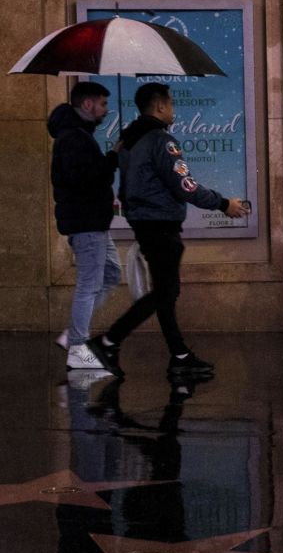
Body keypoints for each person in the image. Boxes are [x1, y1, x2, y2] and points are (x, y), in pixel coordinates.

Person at [88, 82, 248, 376]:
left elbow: (124, 186)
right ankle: (107, 341)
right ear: (160, 106)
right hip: (160, 224)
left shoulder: (128, 140)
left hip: (143, 221)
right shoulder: (161, 141)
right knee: (166, 291)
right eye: (171, 104)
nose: (173, 109)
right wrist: (224, 204)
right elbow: (185, 186)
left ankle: (180, 355)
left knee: (165, 290)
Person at [49, 82, 123, 370]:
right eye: (103, 104)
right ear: (88, 104)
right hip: (86, 223)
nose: (106, 110)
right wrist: (114, 156)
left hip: (93, 222)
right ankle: (78, 347)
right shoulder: (73, 139)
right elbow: (87, 179)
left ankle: (73, 335)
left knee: (111, 274)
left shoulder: (78, 136)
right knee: (89, 285)